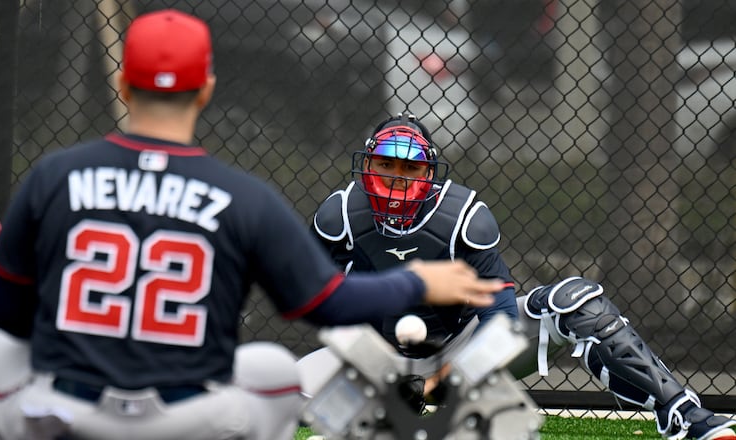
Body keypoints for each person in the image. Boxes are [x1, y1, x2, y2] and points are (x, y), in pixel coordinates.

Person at [0, 10, 505, 440]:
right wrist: (417, 283)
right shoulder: (242, 197)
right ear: (207, 89)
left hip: (71, 413)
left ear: (121, 85)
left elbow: (4, 310)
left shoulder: (55, 176)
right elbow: (325, 301)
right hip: (181, 421)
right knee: (269, 368)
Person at [299, 110, 736, 440]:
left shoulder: (463, 219)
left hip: (460, 345)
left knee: (577, 303)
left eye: (410, 168)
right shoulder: (339, 215)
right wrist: (377, 369)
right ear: (367, 167)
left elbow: (501, 316)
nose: (397, 180)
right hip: (376, 354)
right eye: (386, 167)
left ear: (429, 173)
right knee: (270, 388)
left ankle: (686, 417)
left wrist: (455, 374)